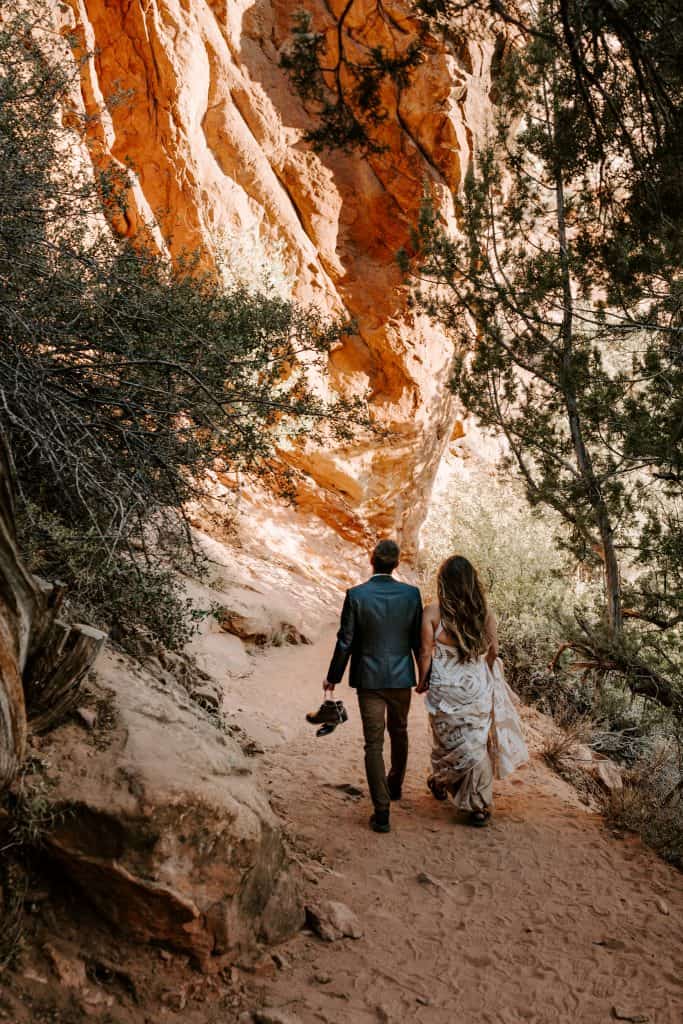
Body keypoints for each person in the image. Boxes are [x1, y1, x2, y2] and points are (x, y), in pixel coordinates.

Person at [417, 555, 528, 827]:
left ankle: (442, 779)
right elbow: (494, 652)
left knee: (447, 740)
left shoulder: (432, 613)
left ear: (443, 582)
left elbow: (425, 653)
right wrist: (484, 674)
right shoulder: (485, 615)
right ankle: (478, 805)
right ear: (472, 582)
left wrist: (422, 680)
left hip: (444, 689)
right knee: (475, 743)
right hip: (475, 685)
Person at [321, 539, 422, 834]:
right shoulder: (411, 595)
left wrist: (333, 676)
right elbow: (418, 642)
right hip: (402, 677)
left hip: (369, 679)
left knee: (373, 743)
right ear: (397, 564)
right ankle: (396, 784)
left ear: (371, 560)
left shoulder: (356, 595)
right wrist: (425, 674)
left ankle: (381, 811)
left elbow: (345, 641)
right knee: (400, 731)